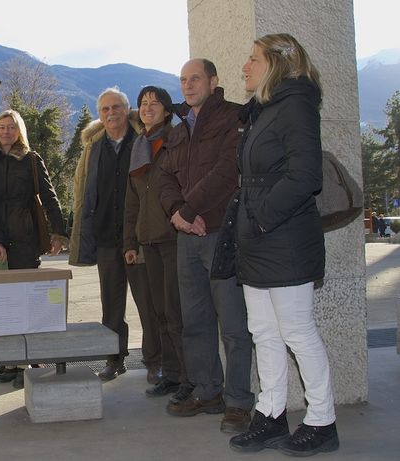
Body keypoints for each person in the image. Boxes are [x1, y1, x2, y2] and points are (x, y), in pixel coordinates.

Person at [229, 33, 339, 457]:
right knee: (264, 331)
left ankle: (322, 421)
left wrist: (261, 218)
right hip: (260, 237)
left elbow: (306, 175)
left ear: (275, 63)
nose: (245, 66)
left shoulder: (295, 104)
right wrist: (253, 224)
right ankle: (271, 415)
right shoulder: (265, 108)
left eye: (253, 58)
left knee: (297, 331)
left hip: (284, 236)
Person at [158, 59, 254, 433]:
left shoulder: (233, 117)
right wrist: (176, 212)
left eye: (195, 78)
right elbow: (164, 176)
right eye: (183, 80)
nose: (187, 85)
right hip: (187, 237)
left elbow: (228, 171)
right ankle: (207, 391)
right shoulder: (178, 127)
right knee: (195, 322)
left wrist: (188, 209)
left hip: (221, 234)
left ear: (213, 81)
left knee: (233, 324)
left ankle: (239, 402)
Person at [70, 87, 160, 384]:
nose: (111, 113)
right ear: (100, 115)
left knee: (148, 303)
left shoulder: (142, 140)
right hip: (107, 237)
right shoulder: (93, 148)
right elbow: (83, 192)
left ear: (126, 110)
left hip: (140, 237)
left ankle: (155, 361)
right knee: (111, 305)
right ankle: (114, 359)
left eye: (116, 107)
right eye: (105, 109)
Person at [0, 109, 68, 388]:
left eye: (12, 127)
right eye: (2, 127)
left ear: (19, 131)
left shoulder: (31, 160)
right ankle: (8, 360)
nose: (6, 131)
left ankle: (28, 361)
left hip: (25, 240)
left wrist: (59, 233)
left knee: (28, 301)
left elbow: (50, 197)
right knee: (2, 303)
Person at [124, 85, 191, 398]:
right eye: (143, 103)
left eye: (154, 103)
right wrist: (130, 242)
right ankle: (172, 375)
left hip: (174, 237)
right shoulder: (139, 146)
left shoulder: (176, 140)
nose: (147, 107)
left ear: (166, 110)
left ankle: (189, 379)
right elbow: (132, 201)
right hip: (148, 239)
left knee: (176, 312)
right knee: (160, 312)